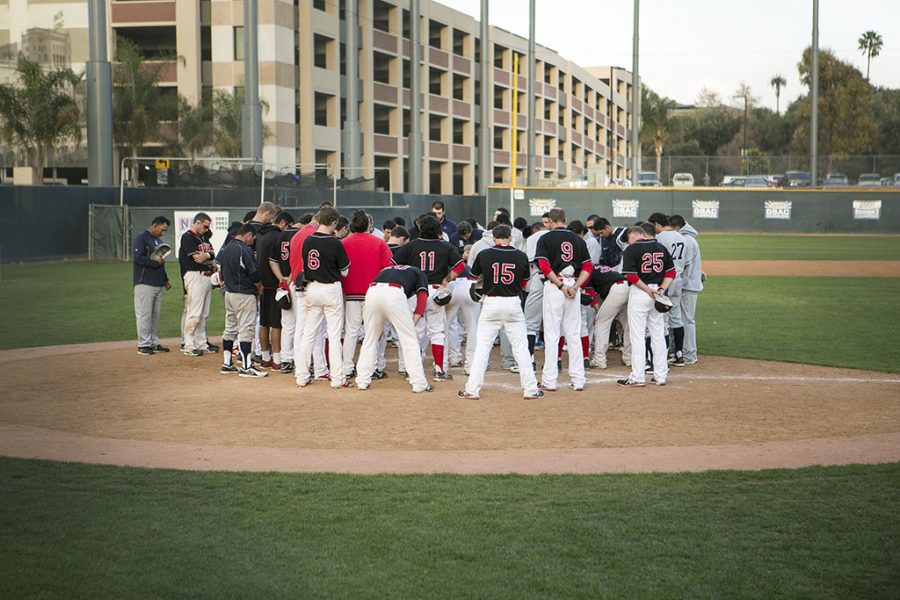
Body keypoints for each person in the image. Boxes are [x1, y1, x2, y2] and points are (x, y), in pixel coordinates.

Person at [458, 225, 542, 400]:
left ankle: (472, 390)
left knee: (482, 347)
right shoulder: (521, 255)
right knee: (521, 348)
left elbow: (474, 277)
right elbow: (524, 284)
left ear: (494, 238)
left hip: (491, 302)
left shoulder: (484, 254)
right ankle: (531, 389)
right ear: (510, 238)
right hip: (513, 302)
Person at [392, 214, 465, 381]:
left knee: (414, 332)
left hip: (415, 292)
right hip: (435, 292)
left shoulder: (411, 246)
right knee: (437, 332)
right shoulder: (445, 246)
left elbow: (394, 264)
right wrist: (446, 279)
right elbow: (460, 265)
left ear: (420, 228)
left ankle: (412, 371)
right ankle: (439, 370)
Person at [535, 208, 592, 391]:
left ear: (551, 221)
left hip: (556, 286)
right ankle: (578, 380)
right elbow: (588, 267)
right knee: (573, 334)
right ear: (565, 220)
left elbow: (543, 266)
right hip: (573, 286)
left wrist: (560, 286)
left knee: (552, 335)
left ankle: (550, 381)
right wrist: (576, 286)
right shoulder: (578, 239)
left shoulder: (545, 238)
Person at [295, 207, 351, 389]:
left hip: (312, 288)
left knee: (309, 333)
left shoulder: (308, 240)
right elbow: (345, 271)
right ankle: (337, 378)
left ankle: (302, 376)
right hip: (330, 288)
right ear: (334, 223)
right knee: (334, 335)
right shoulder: (335, 243)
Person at [355, 265, 433, 393]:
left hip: (372, 291)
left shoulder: (387, 269)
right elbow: (422, 296)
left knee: (370, 339)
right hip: (394, 293)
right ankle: (419, 383)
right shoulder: (418, 272)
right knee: (410, 340)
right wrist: (412, 323)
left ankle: (362, 381)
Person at [617, 226, 675, 387]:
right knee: (657, 333)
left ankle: (637, 377)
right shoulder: (660, 247)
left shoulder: (631, 249)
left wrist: (646, 289)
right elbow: (671, 273)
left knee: (637, 335)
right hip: (658, 293)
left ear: (633, 236)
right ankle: (661, 375)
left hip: (640, 292)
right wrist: (662, 289)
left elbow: (631, 275)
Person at [341, 210, 393, 378]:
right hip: (373, 293)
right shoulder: (379, 243)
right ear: (368, 225)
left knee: (351, 332)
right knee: (374, 332)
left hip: (351, 293)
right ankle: (374, 366)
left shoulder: (344, 243)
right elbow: (388, 268)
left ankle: (347, 367)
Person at [217, 224, 267, 378]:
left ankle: (227, 363)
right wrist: (259, 287)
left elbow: (220, 271)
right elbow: (253, 274)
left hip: (229, 294)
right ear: (248, 234)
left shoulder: (226, 248)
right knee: (246, 330)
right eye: (253, 237)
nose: (253, 240)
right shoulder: (244, 249)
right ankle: (246, 366)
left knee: (230, 328)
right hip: (244, 294)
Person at [648, 212, 688, 366]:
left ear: (657, 224)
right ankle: (679, 354)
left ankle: (662, 358)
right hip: (678, 279)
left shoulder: (660, 238)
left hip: (666, 280)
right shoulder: (682, 237)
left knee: (662, 320)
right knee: (676, 317)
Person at [256, 211, 292, 370]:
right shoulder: (277, 236)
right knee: (276, 323)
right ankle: (277, 359)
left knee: (264, 322)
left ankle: (265, 357)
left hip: (262, 283)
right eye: (288, 226)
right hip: (275, 283)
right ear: (283, 222)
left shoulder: (261, 234)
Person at [178, 212, 216, 357]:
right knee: (194, 312)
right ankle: (188, 344)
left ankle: (201, 343)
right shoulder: (187, 237)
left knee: (204, 313)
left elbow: (212, 254)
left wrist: (208, 256)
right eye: (205, 226)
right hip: (194, 276)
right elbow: (197, 259)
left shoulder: (203, 237)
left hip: (206, 277)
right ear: (198, 222)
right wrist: (208, 258)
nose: (207, 229)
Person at [133, 216, 172, 355]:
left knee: (155, 315)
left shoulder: (158, 241)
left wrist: (165, 279)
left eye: (165, 231)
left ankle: (153, 342)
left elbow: (162, 262)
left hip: (157, 283)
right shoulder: (141, 238)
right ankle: (143, 344)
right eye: (162, 230)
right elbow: (137, 259)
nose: (163, 233)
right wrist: (155, 264)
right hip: (144, 283)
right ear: (154, 225)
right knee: (144, 314)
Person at [269, 214, 301, 374]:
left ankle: (286, 360)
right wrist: (292, 277)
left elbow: (272, 260)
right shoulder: (300, 235)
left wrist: (281, 277)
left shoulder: (280, 236)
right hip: (297, 284)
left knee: (287, 323)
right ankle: (298, 359)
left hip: (283, 285)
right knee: (301, 323)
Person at [670, 214, 702, 365]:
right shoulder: (687, 238)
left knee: (687, 320)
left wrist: (679, 286)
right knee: (683, 320)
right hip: (688, 286)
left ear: (676, 227)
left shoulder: (687, 240)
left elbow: (686, 267)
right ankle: (681, 351)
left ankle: (689, 354)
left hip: (687, 287)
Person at [585, 265, 631, 369]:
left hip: (617, 289)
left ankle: (599, 359)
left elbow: (591, 294)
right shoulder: (596, 266)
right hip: (628, 287)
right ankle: (629, 358)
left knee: (601, 323)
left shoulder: (586, 270)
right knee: (628, 325)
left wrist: (598, 313)